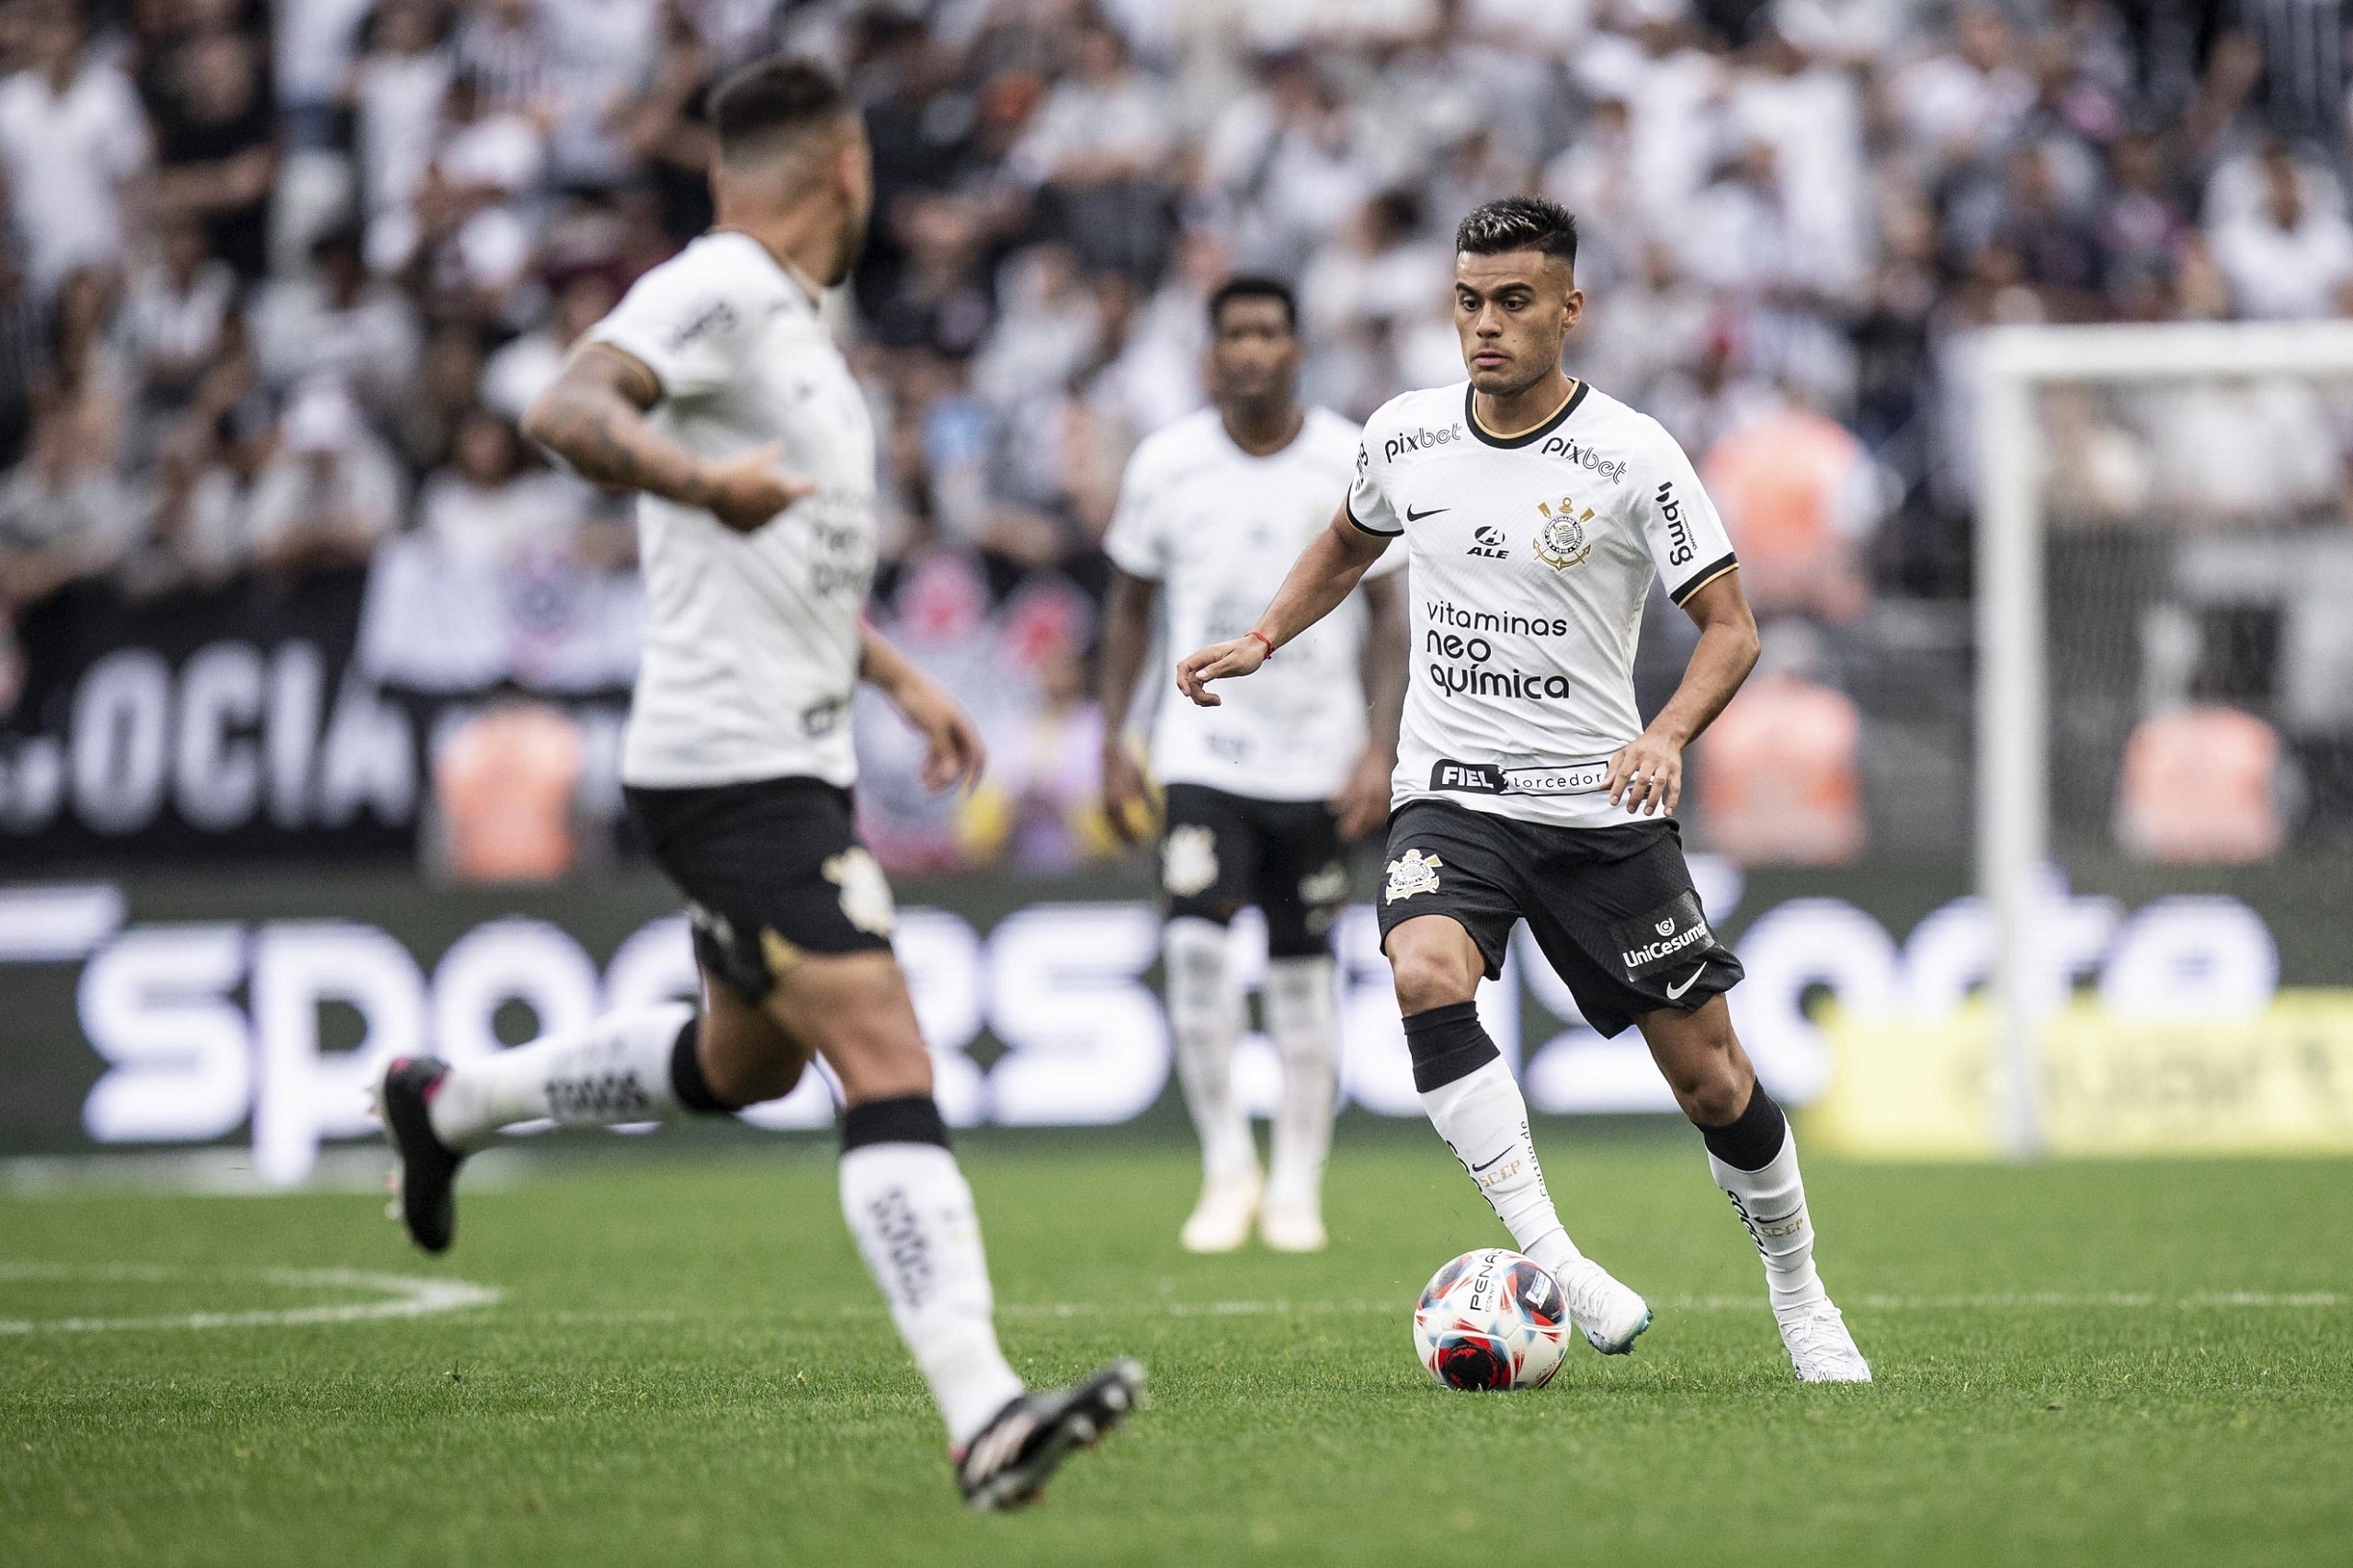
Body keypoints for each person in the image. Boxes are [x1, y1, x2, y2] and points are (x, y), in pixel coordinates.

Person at [370, 58, 1142, 1510]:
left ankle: (449, 1103)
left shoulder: (794, 328)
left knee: (746, 1061)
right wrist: (697, 481)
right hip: (733, 765)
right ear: (845, 170)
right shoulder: (720, 285)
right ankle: (983, 1412)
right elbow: (568, 406)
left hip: (786, 750)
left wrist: (902, 674)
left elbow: (785, 563)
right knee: (886, 1048)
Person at [1176, 196, 1871, 1384]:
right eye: (1468, 302)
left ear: (1569, 308)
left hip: (1603, 802)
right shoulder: (1403, 436)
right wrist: (1267, 634)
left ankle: (1800, 1290)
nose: (1485, 326)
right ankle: (1559, 1258)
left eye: (1512, 302)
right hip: (1452, 789)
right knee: (1422, 967)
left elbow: (1731, 628)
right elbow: (1350, 541)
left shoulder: (1634, 455)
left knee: (1712, 1075)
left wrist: (1668, 733)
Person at [1097, 276, 1406, 1255]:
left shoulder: (1349, 456)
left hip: (1316, 753)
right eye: (1233, 332)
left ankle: (1297, 1183)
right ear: (1211, 351)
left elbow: (1392, 612)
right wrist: (1118, 735)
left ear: (1296, 347)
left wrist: (1378, 742)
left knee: (1302, 973)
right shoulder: (1166, 463)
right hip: (1203, 745)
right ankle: (1227, 1164)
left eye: (1268, 331)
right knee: (1192, 943)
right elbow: (1130, 605)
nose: (1250, 349)